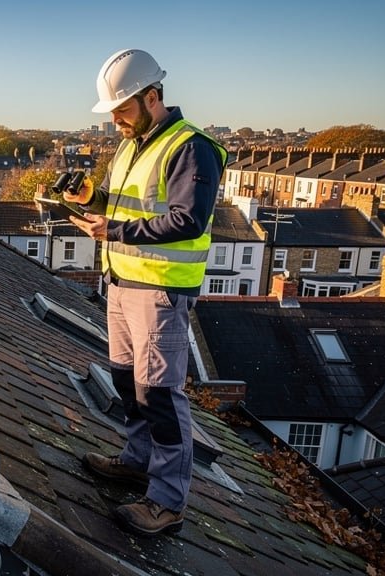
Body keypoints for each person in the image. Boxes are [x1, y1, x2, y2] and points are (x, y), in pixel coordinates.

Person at [64, 48, 227, 536]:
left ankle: (167, 501)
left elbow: (187, 219)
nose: (113, 119)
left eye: (121, 109)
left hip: (161, 292)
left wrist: (114, 232)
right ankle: (137, 461)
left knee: (159, 395)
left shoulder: (191, 147)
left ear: (152, 97)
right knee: (125, 384)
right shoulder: (131, 144)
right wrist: (90, 198)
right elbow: (124, 202)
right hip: (121, 283)